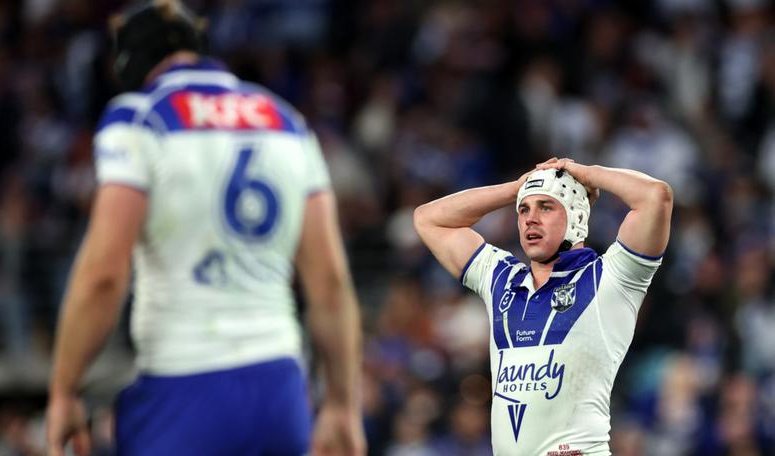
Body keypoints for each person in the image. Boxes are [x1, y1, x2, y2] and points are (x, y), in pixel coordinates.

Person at [45, 1, 365, 455]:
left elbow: (103, 276)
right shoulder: (289, 122)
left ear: (128, 63)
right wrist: (341, 405)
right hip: (281, 388)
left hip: (184, 384)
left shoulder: (138, 118)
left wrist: (64, 390)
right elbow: (330, 282)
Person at [413, 157, 673, 455]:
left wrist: (587, 175)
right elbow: (428, 218)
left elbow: (656, 196)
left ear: (576, 215)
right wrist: (515, 189)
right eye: (524, 210)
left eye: (545, 207)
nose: (530, 219)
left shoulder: (611, 278)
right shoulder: (501, 279)